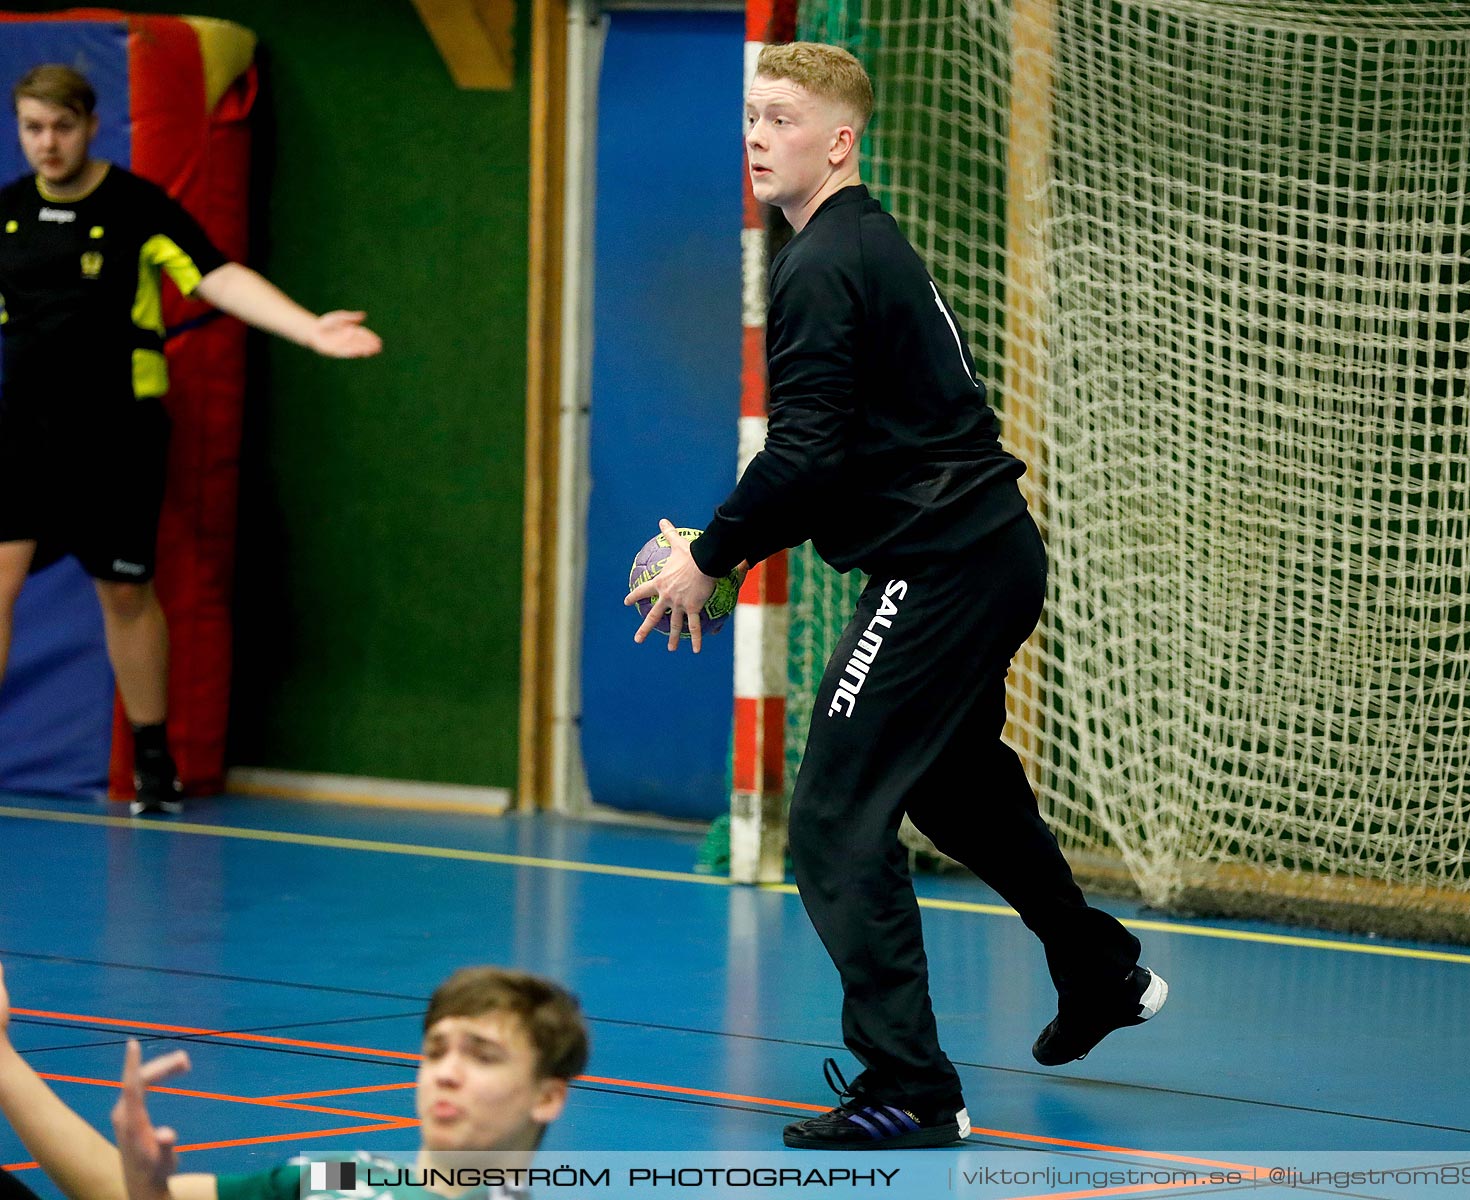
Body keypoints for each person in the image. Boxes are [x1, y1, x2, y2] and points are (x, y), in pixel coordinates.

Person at [623, 43, 1167, 1151]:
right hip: (979, 555)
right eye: (750, 118)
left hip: (945, 568)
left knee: (831, 816)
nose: (759, 137)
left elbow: (807, 456)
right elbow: (829, 449)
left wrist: (710, 557)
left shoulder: (825, 260)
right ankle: (1099, 968)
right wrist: (730, 541)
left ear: (841, 139)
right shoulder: (851, 246)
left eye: (782, 118)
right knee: (958, 790)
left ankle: (911, 1088)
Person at [0, 64, 383, 816]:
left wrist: (309, 327)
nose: (47, 144)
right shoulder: (6, 214)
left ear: (93, 125)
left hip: (117, 432)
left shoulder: (137, 208)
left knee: (125, 592)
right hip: (21, 431)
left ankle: (152, 759)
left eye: (62, 127)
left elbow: (217, 277)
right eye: (32, 128)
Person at [0, 961, 588, 1199]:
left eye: (482, 1057)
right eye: (436, 1052)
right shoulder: (340, 1179)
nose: (448, 1074)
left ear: (548, 1096)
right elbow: (111, 1190)